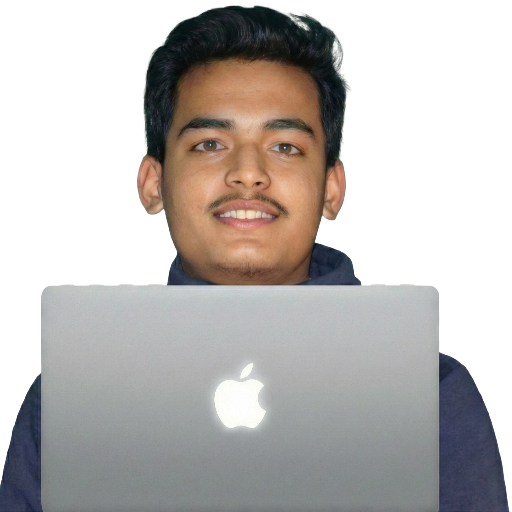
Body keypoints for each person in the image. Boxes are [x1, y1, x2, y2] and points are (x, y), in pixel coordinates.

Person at [1, 5, 508, 511]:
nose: (248, 172)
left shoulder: (426, 394)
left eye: (285, 147)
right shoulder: (77, 395)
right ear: (153, 183)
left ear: (332, 188)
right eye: (210, 143)